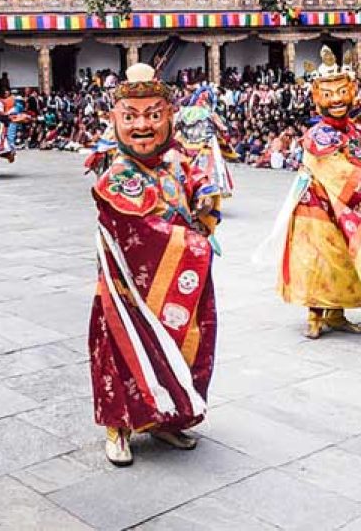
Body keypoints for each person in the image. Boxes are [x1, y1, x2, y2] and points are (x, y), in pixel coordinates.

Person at [88, 63, 221, 467]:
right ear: (115, 120)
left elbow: (202, 186)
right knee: (121, 352)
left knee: (187, 345)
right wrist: (193, 237)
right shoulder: (115, 175)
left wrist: (205, 199)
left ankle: (167, 417)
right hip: (131, 289)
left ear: (170, 115)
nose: (142, 125)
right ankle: (119, 426)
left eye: (152, 114)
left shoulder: (177, 160)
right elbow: (141, 230)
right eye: (131, 116)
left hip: (181, 280)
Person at [269, 46, 361, 339]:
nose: (337, 100)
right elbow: (340, 175)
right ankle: (315, 315)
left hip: (342, 207)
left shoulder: (353, 131)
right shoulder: (318, 136)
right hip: (317, 208)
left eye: (342, 92)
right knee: (318, 260)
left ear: (353, 91)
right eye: (329, 94)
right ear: (317, 97)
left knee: (343, 261)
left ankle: (336, 314)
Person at [174, 84, 237, 197]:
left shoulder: (183, 112)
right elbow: (223, 130)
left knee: (186, 169)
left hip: (186, 147)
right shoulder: (210, 114)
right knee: (209, 170)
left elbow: (174, 126)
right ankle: (209, 192)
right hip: (206, 146)